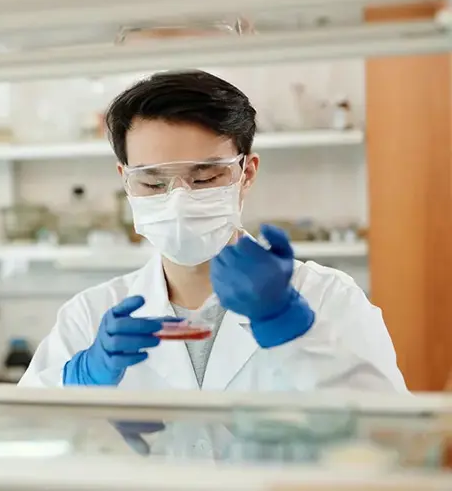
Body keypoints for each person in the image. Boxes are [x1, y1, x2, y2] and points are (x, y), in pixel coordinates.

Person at [20, 70, 406, 392]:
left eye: (203, 178)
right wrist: (79, 380)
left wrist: (290, 329)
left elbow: (396, 438)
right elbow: (20, 446)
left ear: (246, 172)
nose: (178, 200)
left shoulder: (326, 297)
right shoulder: (88, 317)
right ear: (125, 180)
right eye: (153, 184)